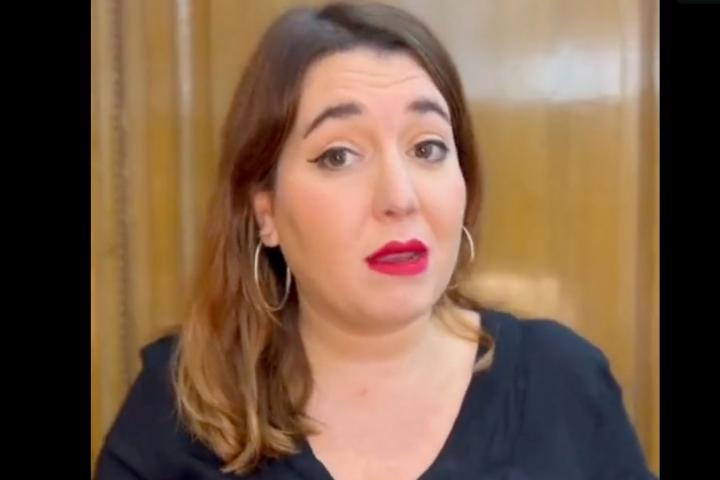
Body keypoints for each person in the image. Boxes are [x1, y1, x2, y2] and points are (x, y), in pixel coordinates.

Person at [94, 2, 656, 479]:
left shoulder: (567, 385)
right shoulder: (175, 414)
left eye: (427, 148)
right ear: (266, 212)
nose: (399, 197)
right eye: (339, 156)